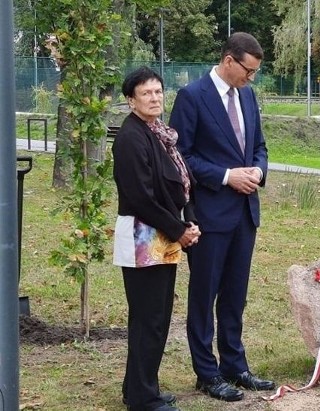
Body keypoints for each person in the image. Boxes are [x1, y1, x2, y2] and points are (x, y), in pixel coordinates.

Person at [169, 32, 273, 403]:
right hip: (210, 216)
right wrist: (228, 176)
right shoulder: (192, 97)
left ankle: (234, 364)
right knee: (204, 295)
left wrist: (258, 171)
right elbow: (180, 155)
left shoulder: (247, 95)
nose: (252, 77)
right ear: (229, 60)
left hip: (245, 215)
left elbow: (259, 146)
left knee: (234, 296)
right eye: (248, 70)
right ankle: (206, 373)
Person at [112, 66, 201, 411]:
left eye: (158, 92)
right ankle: (142, 398)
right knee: (148, 318)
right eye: (146, 93)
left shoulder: (160, 133)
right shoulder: (131, 137)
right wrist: (179, 229)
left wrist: (188, 220)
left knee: (157, 316)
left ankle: (138, 387)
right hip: (142, 238)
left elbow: (181, 182)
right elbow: (140, 197)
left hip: (164, 235)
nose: (154, 98)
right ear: (131, 100)